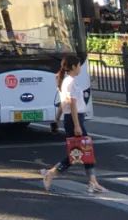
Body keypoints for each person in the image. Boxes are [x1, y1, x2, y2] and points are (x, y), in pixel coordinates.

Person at [42, 55, 105, 195]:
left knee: (82, 151)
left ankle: (92, 181)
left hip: (71, 119)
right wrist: (77, 125)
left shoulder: (65, 81)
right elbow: (72, 104)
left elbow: (62, 104)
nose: (80, 68)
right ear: (73, 67)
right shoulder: (70, 82)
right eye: (78, 65)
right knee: (79, 151)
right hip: (74, 119)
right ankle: (51, 173)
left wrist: (56, 119)